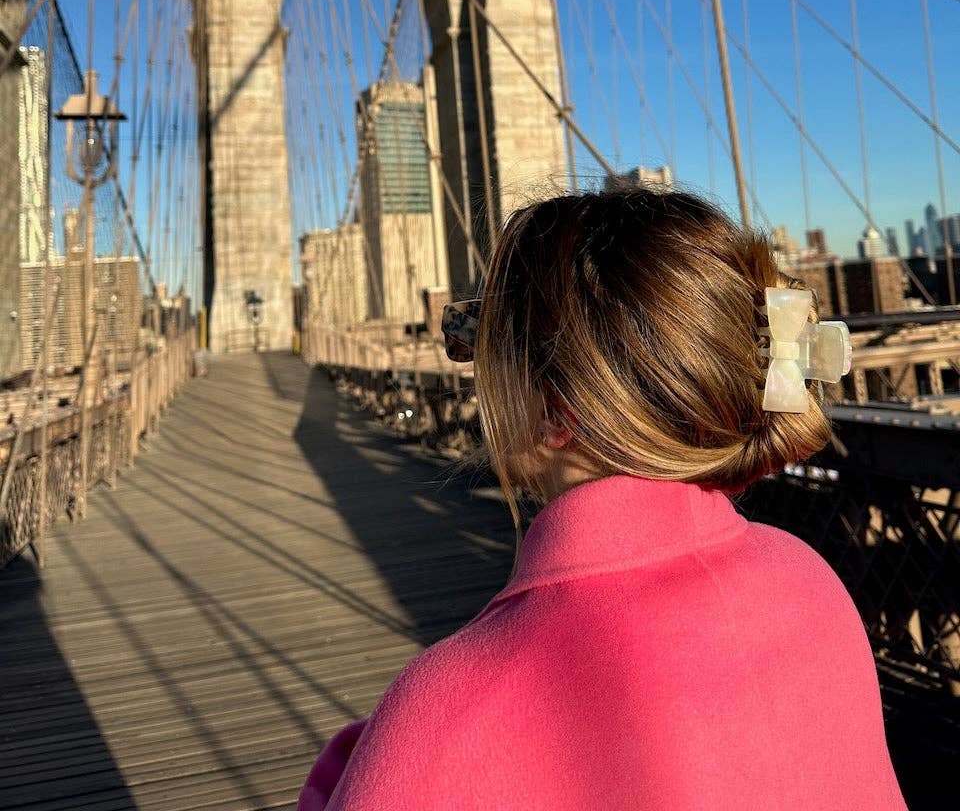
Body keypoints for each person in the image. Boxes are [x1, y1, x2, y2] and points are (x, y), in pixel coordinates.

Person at [296, 185, 907, 810]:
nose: (474, 368)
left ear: (560, 411)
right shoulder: (812, 584)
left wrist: (360, 769)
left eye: (480, 339)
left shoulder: (452, 705)